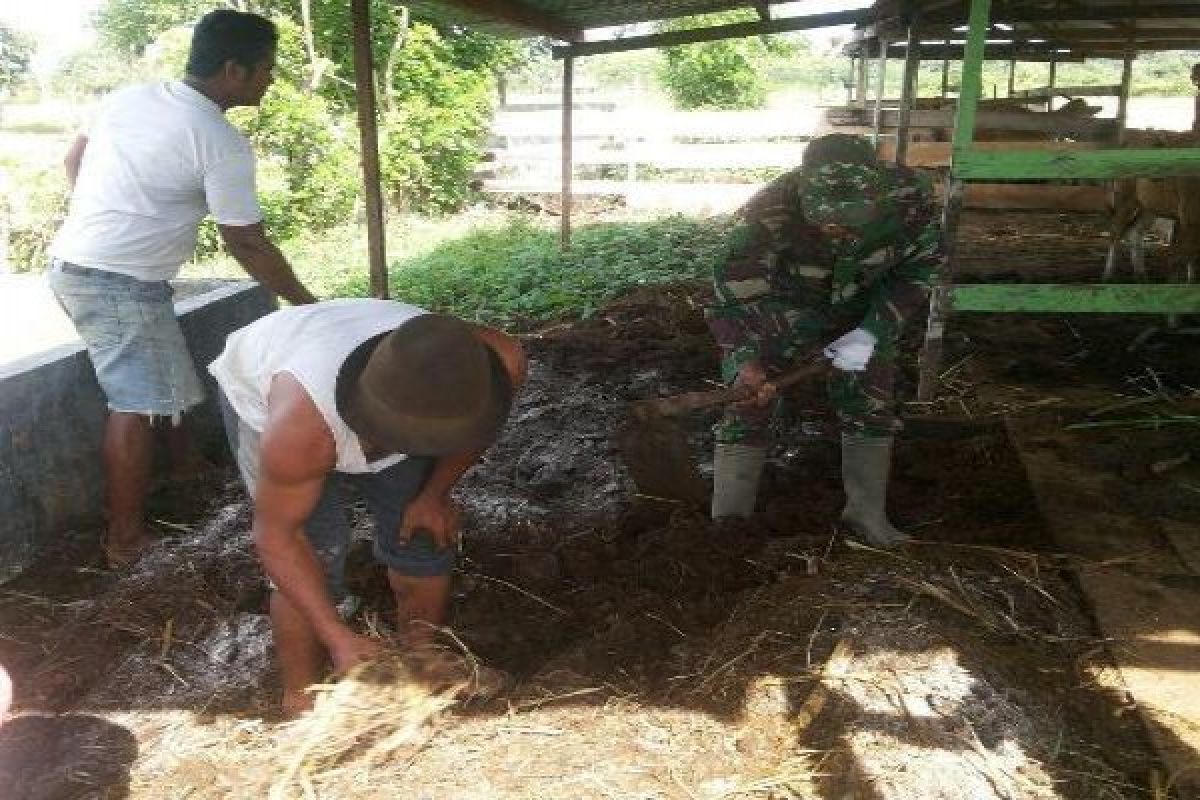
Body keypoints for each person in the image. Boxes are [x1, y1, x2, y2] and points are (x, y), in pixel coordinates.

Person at [46, 10, 317, 568]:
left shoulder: (129, 98)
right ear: (234, 69)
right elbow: (247, 244)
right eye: (266, 69)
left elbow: (73, 158)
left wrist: (111, 212)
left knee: (166, 384)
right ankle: (125, 541)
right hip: (117, 282)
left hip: (79, 265)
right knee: (139, 405)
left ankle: (190, 478)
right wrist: (307, 303)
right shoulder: (218, 140)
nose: (271, 80)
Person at [208, 299, 527, 716]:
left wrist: (435, 493)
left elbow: (483, 423)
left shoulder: (493, 364)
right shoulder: (301, 431)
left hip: (380, 387)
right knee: (315, 553)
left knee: (425, 536)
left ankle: (419, 663)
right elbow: (278, 539)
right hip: (275, 393)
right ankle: (301, 697)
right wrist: (337, 635)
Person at [705, 133, 945, 546]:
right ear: (803, 189)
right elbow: (728, 301)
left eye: (850, 217)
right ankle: (728, 526)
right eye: (825, 218)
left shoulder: (910, 201)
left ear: (876, 188)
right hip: (784, 315)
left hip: (863, 313)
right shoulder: (766, 216)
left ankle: (868, 518)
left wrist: (872, 331)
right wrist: (747, 362)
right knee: (748, 404)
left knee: (869, 404)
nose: (836, 228)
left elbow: (919, 271)